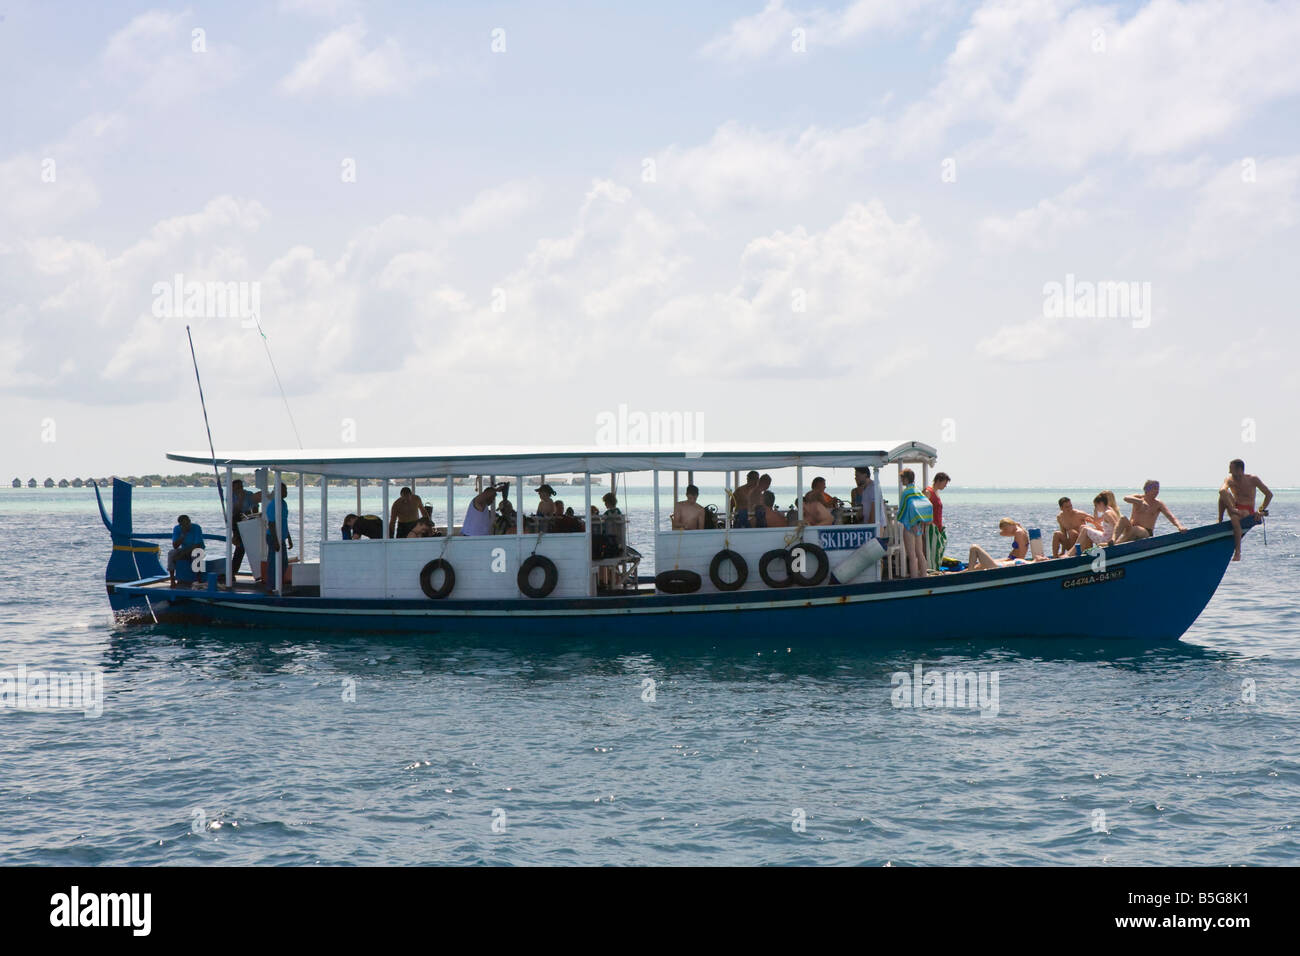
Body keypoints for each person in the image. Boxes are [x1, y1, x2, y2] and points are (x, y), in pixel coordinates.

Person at [1218, 458, 1272, 561]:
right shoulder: (1230, 480)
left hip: (1247, 509)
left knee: (1234, 519)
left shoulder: (1253, 479)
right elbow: (1222, 490)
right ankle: (1219, 520)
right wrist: (1232, 508)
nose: (1229, 472)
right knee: (1223, 495)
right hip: (1235, 507)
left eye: (1231, 469)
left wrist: (1260, 510)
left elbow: (1269, 494)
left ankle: (1238, 552)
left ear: (1239, 470)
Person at [1113, 480, 1187, 542]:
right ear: (1147, 489)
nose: (1157, 491)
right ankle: (1113, 540)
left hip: (1146, 532)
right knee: (1123, 518)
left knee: (1136, 529)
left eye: (1158, 489)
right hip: (1131, 528)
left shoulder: (1158, 503)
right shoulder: (1138, 498)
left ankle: (1118, 543)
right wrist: (1140, 502)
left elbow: (1171, 516)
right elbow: (1126, 498)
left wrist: (1179, 526)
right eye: (1155, 488)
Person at [896, 468, 932, 577]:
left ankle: (914, 579)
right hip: (919, 526)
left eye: (902, 478)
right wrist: (922, 518)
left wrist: (899, 517)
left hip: (909, 526)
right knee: (920, 553)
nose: (901, 481)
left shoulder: (906, 493)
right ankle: (924, 576)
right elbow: (928, 504)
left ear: (906, 479)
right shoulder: (917, 491)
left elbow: (901, 510)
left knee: (911, 555)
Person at [967, 518, 1031, 571]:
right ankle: (963, 572)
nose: (1006, 531)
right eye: (1004, 529)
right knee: (980, 565)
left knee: (980, 564)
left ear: (1011, 524)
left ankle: (965, 572)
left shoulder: (1018, 533)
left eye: (1006, 529)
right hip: (1011, 558)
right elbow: (1002, 533)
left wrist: (1011, 562)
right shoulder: (1016, 530)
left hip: (1014, 559)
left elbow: (1021, 555)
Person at [264, 482, 293, 591]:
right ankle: (271, 586)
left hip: (281, 537)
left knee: (284, 562)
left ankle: (277, 583)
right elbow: (271, 524)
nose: (286, 492)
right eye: (284, 490)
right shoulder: (273, 505)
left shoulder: (283, 504)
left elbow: (284, 521)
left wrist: (289, 538)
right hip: (273, 537)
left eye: (286, 490)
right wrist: (276, 541)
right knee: (274, 562)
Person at [229, 478, 261, 574]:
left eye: (240, 487)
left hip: (249, 521)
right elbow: (234, 510)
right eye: (236, 488)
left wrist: (251, 516)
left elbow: (255, 509)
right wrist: (240, 499)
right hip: (237, 522)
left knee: (247, 548)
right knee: (240, 548)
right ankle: (233, 572)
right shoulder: (231, 496)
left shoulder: (249, 494)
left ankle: (259, 571)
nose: (239, 489)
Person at [167, 514, 204, 587]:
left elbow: (197, 545)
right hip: (184, 549)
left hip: (197, 549)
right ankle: (172, 579)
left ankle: (198, 579)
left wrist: (182, 554)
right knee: (171, 553)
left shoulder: (196, 528)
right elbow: (175, 546)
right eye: (183, 524)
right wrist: (183, 535)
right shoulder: (177, 529)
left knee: (196, 553)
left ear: (190, 521)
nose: (186, 525)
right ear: (180, 525)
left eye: (187, 523)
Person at [923, 472, 950, 569]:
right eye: (945, 483)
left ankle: (935, 568)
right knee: (931, 551)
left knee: (937, 551)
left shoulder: (936, 493)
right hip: (931, 527)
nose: (945, 486)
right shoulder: (928, 492)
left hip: (937, 527)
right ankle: (931, 569)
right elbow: (922, 509)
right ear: (939, 481)